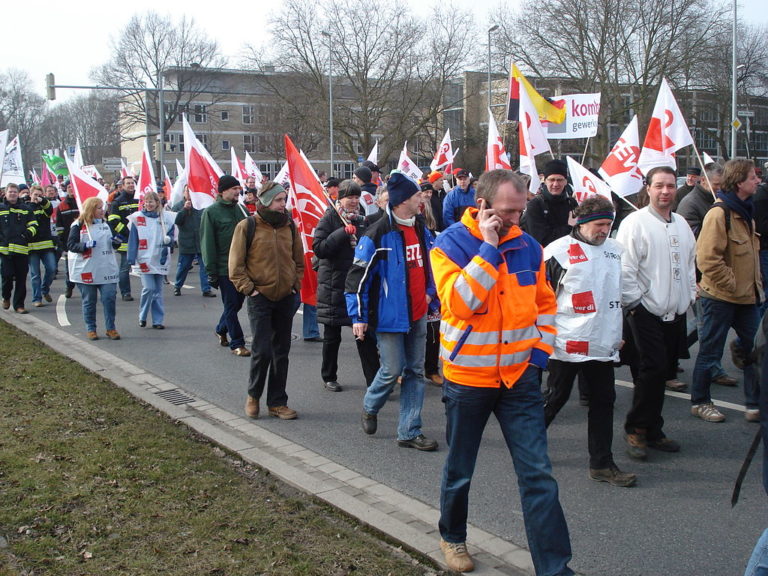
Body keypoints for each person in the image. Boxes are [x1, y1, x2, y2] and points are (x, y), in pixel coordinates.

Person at [431, 169, 572, 574]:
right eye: (508, 211)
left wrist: (538, 358)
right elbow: (460, 304)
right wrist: (489, 250)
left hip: (519, 379)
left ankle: (555, 568)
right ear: (482, 206)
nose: (515, 218)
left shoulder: (529, 246)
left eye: (520, 210)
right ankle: (453, 537)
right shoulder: (449, 243)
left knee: (539, 477)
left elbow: (545, 306)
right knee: (460, 469)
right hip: (468, 380)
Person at [543, 195, 636, 487]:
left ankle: (602, 464)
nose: (604, 230)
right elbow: (541, 301)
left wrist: (621, 334)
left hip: (602, 343)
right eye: (598, 224)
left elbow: (624, 293)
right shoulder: (557, 252)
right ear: (582, 223)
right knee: (555, 398)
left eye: (609, 224)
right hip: (566, 343)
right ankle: (528, 444)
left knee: (603, 402)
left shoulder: (616, 251)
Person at [347, 171, 438, 452]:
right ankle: (370, 405)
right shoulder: (377, 234)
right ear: (400, 202)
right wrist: (358, 317)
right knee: (391, 370)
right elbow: (356, 278)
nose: (421, 199)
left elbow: (431, 264)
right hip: (389, 316)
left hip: (419, 312)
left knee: (415, 371)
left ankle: (409, 430)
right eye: (415, 196)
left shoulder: (422, 227)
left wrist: (430, 293)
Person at [617, 166, 697, 460]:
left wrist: (688, 295)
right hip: (645, 310)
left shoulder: (681, 224)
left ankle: (653, 428)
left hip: (674, 310)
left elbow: (689, 263)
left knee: (662, 371)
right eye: (659, 186)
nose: (665, 191)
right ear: (647, 188)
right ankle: (636, 429)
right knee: (651, 369)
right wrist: (636, 303)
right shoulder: (635, 223)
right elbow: (626, 269)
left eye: (670, 186)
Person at [691, 159, 762, 423]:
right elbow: (707, 259)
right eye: (753, 177)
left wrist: (755, 286)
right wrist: (732, 284)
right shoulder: (719, 214)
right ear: (739, 182)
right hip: (720, 297)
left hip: (747, 298)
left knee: (756, 350)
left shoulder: (745, 211)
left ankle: (754, 404)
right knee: (710, 351)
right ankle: (700, 401)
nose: (757, 181)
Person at [229, 181, 303, 420]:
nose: (283, 204)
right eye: (279, 200)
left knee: (282, 351)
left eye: (284, 199)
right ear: (267, 201)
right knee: (262, 350)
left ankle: (277, 402)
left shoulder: (290, 226)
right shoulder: (247, 226)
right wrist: (249, 290)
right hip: (259, 297)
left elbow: (298, 261)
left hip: (285, 298)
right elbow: (236, 265)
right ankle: (253, 395)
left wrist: (295, 285)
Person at [313, 180, 379, 392]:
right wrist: (341, 233)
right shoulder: (329, 217)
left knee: (365, 335)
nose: (353, 201)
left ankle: (375, 381)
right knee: (332, 336)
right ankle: (329, 376)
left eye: (356, 196)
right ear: (339, 198)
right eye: (349, 197)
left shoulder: (363, 220)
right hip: (334, 285)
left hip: (357, 285)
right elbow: (319, 248)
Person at [677, 163, 738, 387]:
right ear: (703, 181)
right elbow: (692, 246)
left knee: (704, 323)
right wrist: (696, 279)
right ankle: (712, 369)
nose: (720, 190)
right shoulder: (691, 204)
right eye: (716, 186)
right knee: (707, 324)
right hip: (701, 275)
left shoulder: (720, 202)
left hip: (714, 273)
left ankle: (670, 353)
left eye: (723, 186)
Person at [201, 175, 250, 356]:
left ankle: (221, 329)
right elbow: (208, 244)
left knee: (237, 304)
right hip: (224, 267)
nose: (238, 192)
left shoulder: (242, 210)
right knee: (231, 304)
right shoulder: (211, 212)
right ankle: (237, 343)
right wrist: (211, 271)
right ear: (222, 191)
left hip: (244, 267)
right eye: (234, 189)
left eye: (239, 188)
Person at [67, 197, 121, 341]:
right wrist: (84, 246)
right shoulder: (78, 225)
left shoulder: (106, 224)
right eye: (99, 208)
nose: (102, 210)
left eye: (103, 207)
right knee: (89, 301)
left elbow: (114, 242)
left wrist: (117, 242)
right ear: (91, 209)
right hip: (87, 269)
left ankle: (111, 328)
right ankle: (91, 329)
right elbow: (71, 244)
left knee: (109, 298)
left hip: (106, 269)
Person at [126, 191, 175, 329]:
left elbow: (172, 236)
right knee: (149, 288)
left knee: (158, 291)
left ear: (157, 203)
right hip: (144, 259)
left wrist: (169, 240)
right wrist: (131, 258)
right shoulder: (137, 218)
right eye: (146, 202)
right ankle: (142, 315)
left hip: (160, 258)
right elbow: (133, 239)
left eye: (151, 201)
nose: (148, 204)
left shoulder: (166, 218)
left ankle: (157, 321)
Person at [0, 183, 38, 314]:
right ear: (5, 193)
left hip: (21, 249)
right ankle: (6, 297)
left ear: (18, 193)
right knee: (7, 276)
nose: (12, 194)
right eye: (10, 191)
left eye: (15, 192)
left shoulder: (26, 209)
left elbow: (34, 225)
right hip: (4, 250)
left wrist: (26, 234)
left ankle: (19, 305)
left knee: (21, 279)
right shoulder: (1, 208)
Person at [522, 159, 578, 248]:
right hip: (543, 259)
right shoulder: (535, 205)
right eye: (552, 179)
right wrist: (569, 227)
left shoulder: (571, 203)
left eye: (559, 180)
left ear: (565, 181)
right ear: (545, 180)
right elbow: (541, 240)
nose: (555, 184)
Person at [172, 187, 216, 298]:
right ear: (183, 193)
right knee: (184, 266)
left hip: (200, 241)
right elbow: (176, 221)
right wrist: (184, 209)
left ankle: (206, 289)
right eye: (187, 191)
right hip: (187, 242)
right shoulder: (178, 206)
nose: (189, 193)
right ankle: (177, 286)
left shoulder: (201, 205)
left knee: (204, 267)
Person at [107, 176, 139, 301]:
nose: (131, 185)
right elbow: (113, 221)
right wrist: (127, 232)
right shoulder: (117, 202)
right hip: (126, 239)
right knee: (125, 267)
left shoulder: (140, 199)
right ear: (123, 186)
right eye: (128, 183)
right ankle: (126, 292)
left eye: (132, 183)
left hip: (142, 238)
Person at [27, 185, 57, 307]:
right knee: (35, 274)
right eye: (35, 195)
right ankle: (36, 298)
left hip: (46, 245)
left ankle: (45, 289)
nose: (37, 197)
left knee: (51, 269)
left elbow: (49, 209)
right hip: (32, 246)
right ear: (30, 195)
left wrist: (42, 200)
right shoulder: (26, 208)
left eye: (40, 195)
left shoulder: (45, 207)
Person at [55, 181, 80, 298]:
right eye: (69, 187)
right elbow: (59, 225)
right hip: (69, 241)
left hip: (84, 239)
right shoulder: (62, 205)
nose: (71, 189)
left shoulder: (82, 202)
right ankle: (69, 286)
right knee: (70, 267)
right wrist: (62, 242)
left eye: (73, 187)